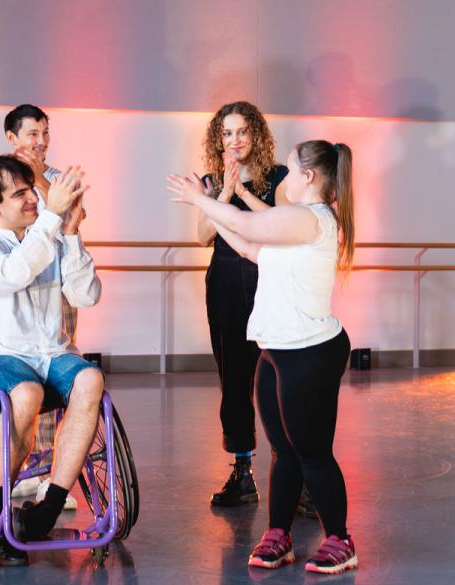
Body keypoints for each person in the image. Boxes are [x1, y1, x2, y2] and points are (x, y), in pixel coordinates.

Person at [169, 140, 359, 575]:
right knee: (283, 451)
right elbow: (252, 247)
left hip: (309, 352)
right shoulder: (296, 222)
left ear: (308, 178)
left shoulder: (311, 218)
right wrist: (223, 207)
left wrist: (201, 197)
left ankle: (340, 541)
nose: (285, 180)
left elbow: (248, 223)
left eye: (290, 172)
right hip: (277, 351)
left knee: (312, 452)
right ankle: (279, 534)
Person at [0, 155, 101, 565]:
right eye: (19, 193)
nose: (33, 199)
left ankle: (48, 508)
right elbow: (13, 274)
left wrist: (70, 235)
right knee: (26, 391)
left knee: (91, 380)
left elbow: (86, 296)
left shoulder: (51, 236)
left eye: (31, 190)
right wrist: (52, 218)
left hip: (50, 352)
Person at [190, 101, 288, 509]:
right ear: (218, 139)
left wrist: (243, 192)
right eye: (227, 134)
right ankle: (242, 474)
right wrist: (224, 194)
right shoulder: (212, 182)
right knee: (234, 379)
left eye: (243, 132)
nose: (235, 141)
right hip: (227, 283)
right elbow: (201, 236)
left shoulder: (280, 177)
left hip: (270, 280)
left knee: (282, 378)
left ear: (257, 135)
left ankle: (295, 475)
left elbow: (283, 226)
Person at [0, 104, 78, 510]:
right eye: (33, 134)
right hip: (14, 288)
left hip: (56, 287)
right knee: (19, 381)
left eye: (45, 133)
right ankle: (19, 467)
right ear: (13, 138)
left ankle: (50, 474)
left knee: (56, 376)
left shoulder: (56, 178)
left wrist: (44, 183)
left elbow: (71, 220)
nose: (41, 142)